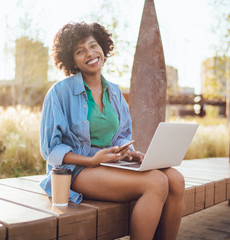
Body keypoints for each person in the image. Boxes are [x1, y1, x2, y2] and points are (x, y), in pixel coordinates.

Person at [39, 22, 185, 240]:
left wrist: (129, 152)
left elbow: (122, 135)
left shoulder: (114, 92)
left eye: (93, 45)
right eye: (80, 51)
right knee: (156, 182)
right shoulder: (60, 93)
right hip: (76, 171)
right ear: (73, 61)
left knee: (175, 178)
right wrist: (91, 160)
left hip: (110, 164)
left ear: (102, 48)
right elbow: (50, 149)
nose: (90, 53)